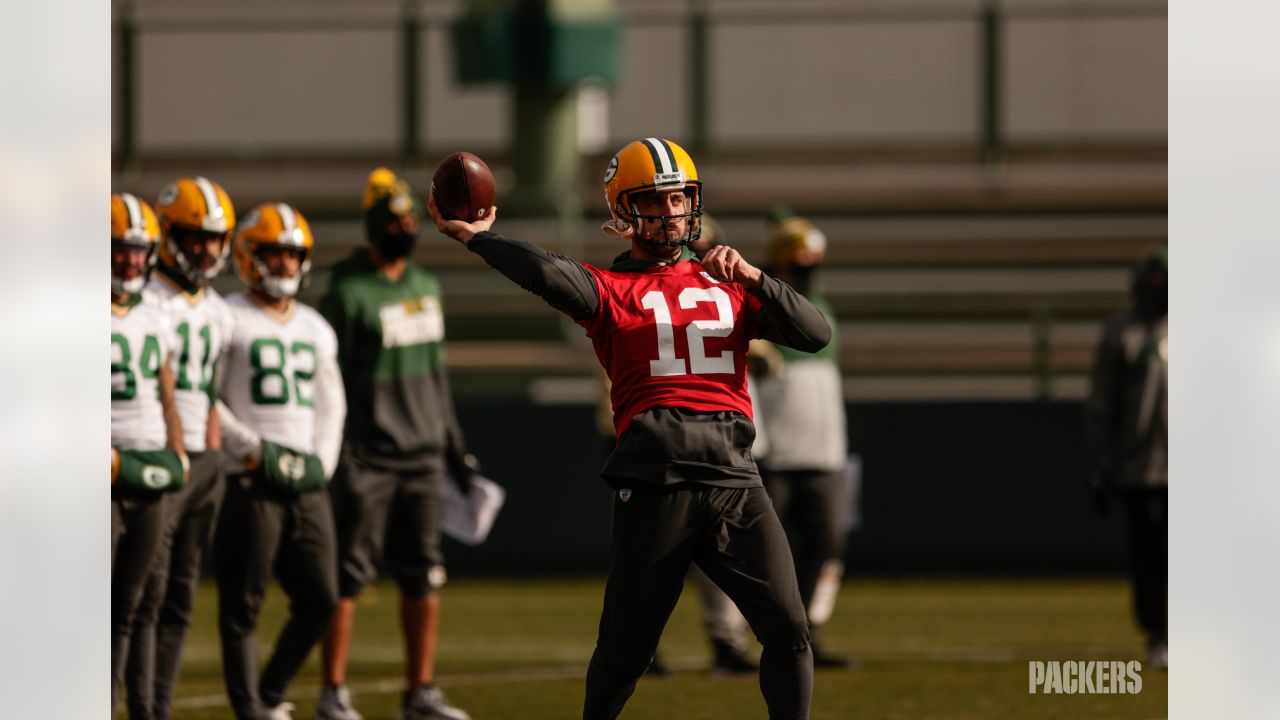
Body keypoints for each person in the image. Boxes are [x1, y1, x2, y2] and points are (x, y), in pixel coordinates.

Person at [429, 137, 831, 720]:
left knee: (790, 628)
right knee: (625, 653)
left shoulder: (731, 286)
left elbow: (815, 334)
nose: (670, 213)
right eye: (654, 201)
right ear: (624, 212)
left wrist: (755, 275)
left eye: (678, 199)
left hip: (736, 480)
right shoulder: (610, 290)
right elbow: (546, 272)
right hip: (657, 482)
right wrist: (480, 238)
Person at [316, 169, 477, 720]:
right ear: (373, 228)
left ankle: (420, 692)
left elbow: (438, 377)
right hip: (370, 456)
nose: (405, 228)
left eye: (411, 219)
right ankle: (333, 691)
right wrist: (338, 453)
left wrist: (454, 446)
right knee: (349, 576)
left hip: (424, 456)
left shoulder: (427, 288)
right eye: (394, 221)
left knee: (424, 573)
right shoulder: (346, 292)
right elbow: (328, 382)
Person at [213, 203, 347, 719]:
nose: (287, 265)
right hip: (250, 478)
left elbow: (331, 403)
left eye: (293, 255)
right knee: (243, 603)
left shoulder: (314, 325)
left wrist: (322, 464)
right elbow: (202, 394)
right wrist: (250, 449)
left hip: (306, 482)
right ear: (249, 255)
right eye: (275, 253)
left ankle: (268, 695)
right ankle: (251, 709)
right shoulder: (227, 314)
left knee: (320, 599)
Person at [130, 176, 237, 720]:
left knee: (181, 594)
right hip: (163, 455)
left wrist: (218, 453)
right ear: (169, 235)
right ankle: (143, 706)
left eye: (215, 238)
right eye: (196, 237)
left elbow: (211, 395)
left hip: (205, 459)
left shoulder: (218, 310)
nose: (207, 249)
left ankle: (161, 706)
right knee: (146, 594)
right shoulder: (150, 300)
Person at [756, 209, 854, 669]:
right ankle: (759, 634)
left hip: (824, 453)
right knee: (763, 551)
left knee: (828, 543)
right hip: (774, 451)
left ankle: (810, 632)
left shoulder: (821, 307)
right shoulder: (760, 305)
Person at [111, 192, 188, 718]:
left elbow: (168, 393)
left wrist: (178, 452)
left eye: (140, 250)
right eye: (120, 249)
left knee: (132, 608)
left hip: (149, 471)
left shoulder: (155, 316)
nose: (132, 260)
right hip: (103, 474)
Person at [1084, 246, 1167, 669]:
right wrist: (1100, 463)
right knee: (1149, 554)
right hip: (1140, 467)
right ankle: (1159, 632)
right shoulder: (1123, 333)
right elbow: (1103, 404)